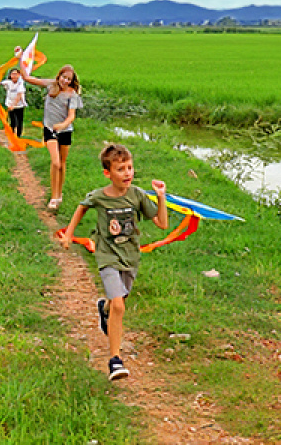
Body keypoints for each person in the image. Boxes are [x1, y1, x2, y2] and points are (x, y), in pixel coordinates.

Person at [61, 143, 168, 381]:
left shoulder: (137, 195)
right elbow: (82, 207)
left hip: (130, 257)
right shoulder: (100, 196)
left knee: (116, 302)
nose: (127, 173)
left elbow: (162, 224)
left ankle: (104, 308)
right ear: (107, 173)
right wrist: (69, 234)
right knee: (119, 306)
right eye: (121, 169)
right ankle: (115, 360)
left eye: (130, 167)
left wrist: (161, 197)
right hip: (107, 255)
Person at [16, 50, 83, 210]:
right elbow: (27, 78)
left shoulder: (72, 95)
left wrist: (63, 125)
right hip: (50, 129)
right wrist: (20, 58)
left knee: (62, 164)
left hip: (65, 131)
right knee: (55, 162)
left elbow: (71, 116)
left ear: (72, 81)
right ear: (58, 76)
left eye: (68, 79)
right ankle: (53, 197)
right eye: (63, 77)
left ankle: (59, 194)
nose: (65, 81)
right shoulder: (50, 85)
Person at [0, 68, 27, 138]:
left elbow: (19, 95)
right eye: (12, 74)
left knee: (19, 120)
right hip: (10, 104)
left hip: (19, 105)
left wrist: (14, 105)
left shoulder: (20, 83)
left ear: (19, 75)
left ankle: (18, 136)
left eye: (16, 74)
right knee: (12, 120)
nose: (14, 76)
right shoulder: (8, 82)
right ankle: (11, 135)